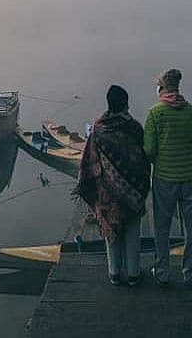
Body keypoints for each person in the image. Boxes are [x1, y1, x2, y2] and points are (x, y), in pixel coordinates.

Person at [73, 84, 151, 287]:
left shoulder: (98, 129)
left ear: (108, 103)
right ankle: (133, 274)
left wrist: (93, 190)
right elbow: (143, 159)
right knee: (132, 230)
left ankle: (114, 273)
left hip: (106, 193)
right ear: (126, 103)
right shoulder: (134, 128)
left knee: (111, 230)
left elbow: (88, 161)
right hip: (133, 191)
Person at [144, 68, 192, 286]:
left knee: (162, 226)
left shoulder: (155, 113)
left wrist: (161, 160)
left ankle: (162, 271)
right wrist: (191, 156)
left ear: (162, 88)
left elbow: (149, 151)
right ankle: (190, 271)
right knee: (191, 227)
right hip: (189, 178)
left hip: (164, 179)